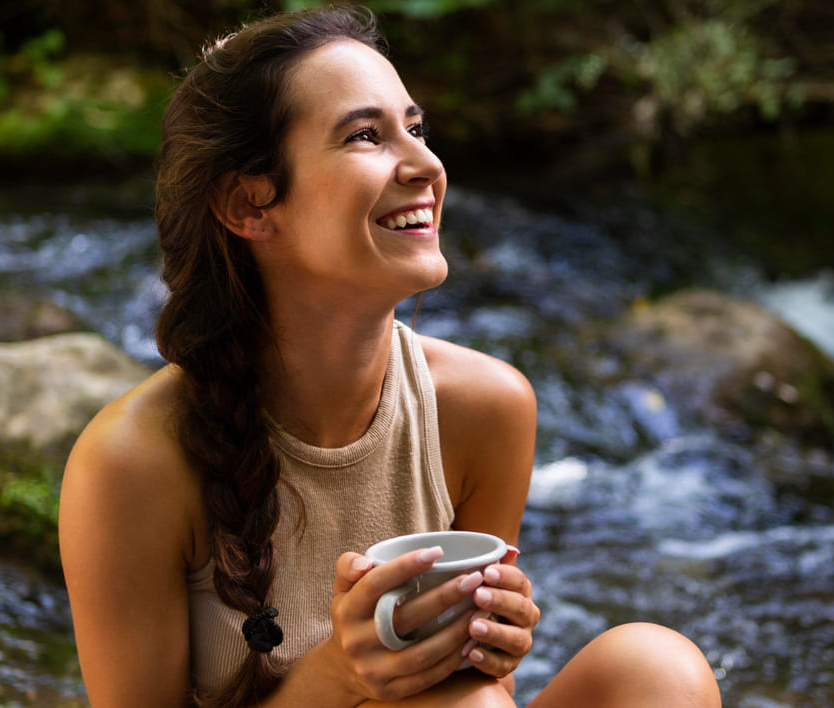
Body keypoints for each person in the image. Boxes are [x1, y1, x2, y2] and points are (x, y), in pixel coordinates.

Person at [58, 4, 722, 707]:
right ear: (249, 203)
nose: (426, 165)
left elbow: (480, 687)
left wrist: (493, 645)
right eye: (366, 136)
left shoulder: (485, 407)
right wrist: (337, 674)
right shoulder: (132, 464)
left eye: (416, 128)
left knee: (655, 671)